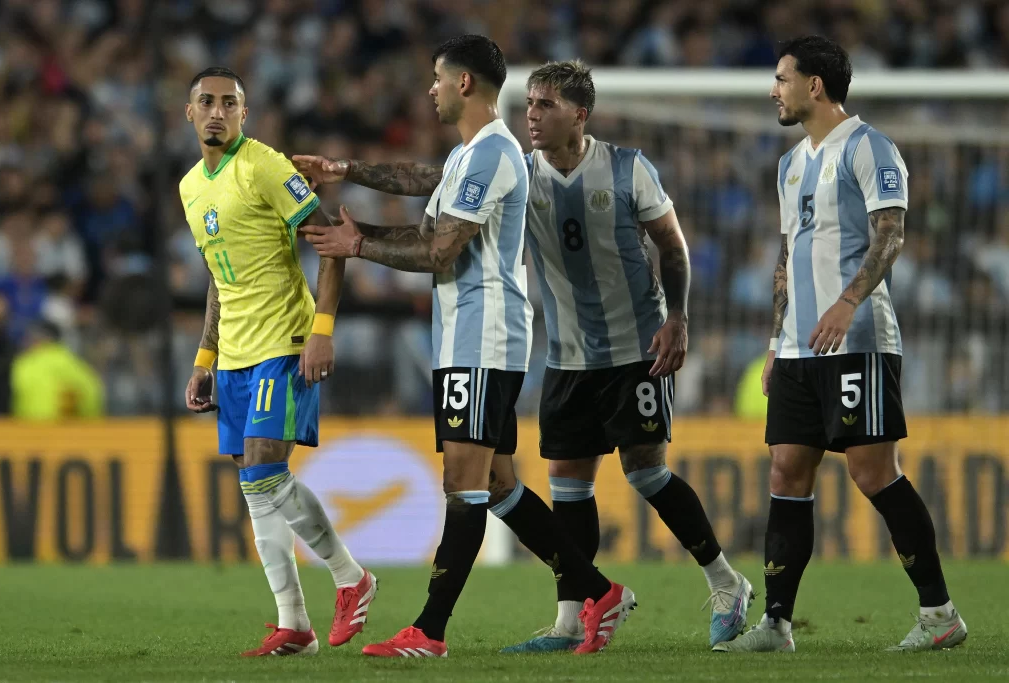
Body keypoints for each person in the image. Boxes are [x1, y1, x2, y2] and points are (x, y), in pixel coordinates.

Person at [298, 59, 754, 653]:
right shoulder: (523, 169)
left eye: (546, 105)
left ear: (579, 115)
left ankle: (724, 580)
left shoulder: (626, 168)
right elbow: (429, 178)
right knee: (568, 485)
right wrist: (348, 170)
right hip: (566, 351)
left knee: (644, 471)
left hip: (634, 344)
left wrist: (678, 318)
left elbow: (672, 244)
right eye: (530, 102)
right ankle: (574, 618)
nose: (532, 114)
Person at [714, 36, 966, 653]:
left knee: (873, 471)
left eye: (781, 78)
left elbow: (890, 234)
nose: (772, 90)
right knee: (786, 470)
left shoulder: (870, 146)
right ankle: (776, 624)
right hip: (798, 349)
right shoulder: (789, 164)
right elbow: (787, 256)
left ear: (815, 85)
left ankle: (940, 614)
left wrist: (848, 301)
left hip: (858, 341)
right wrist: (775, 341)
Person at [179, 67, 377, 658]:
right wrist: (205, 357)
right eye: (207, 102)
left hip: (283, 342)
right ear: (189, 112)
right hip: (234, 354)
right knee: (254, 487)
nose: (217, 112)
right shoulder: (191, 187)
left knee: (265, 473)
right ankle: (294, 624)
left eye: (229, 103)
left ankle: (351, 576)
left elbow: (331, 242)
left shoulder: (263, 165)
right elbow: (218, 278)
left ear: (245, 113)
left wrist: (322, 330)